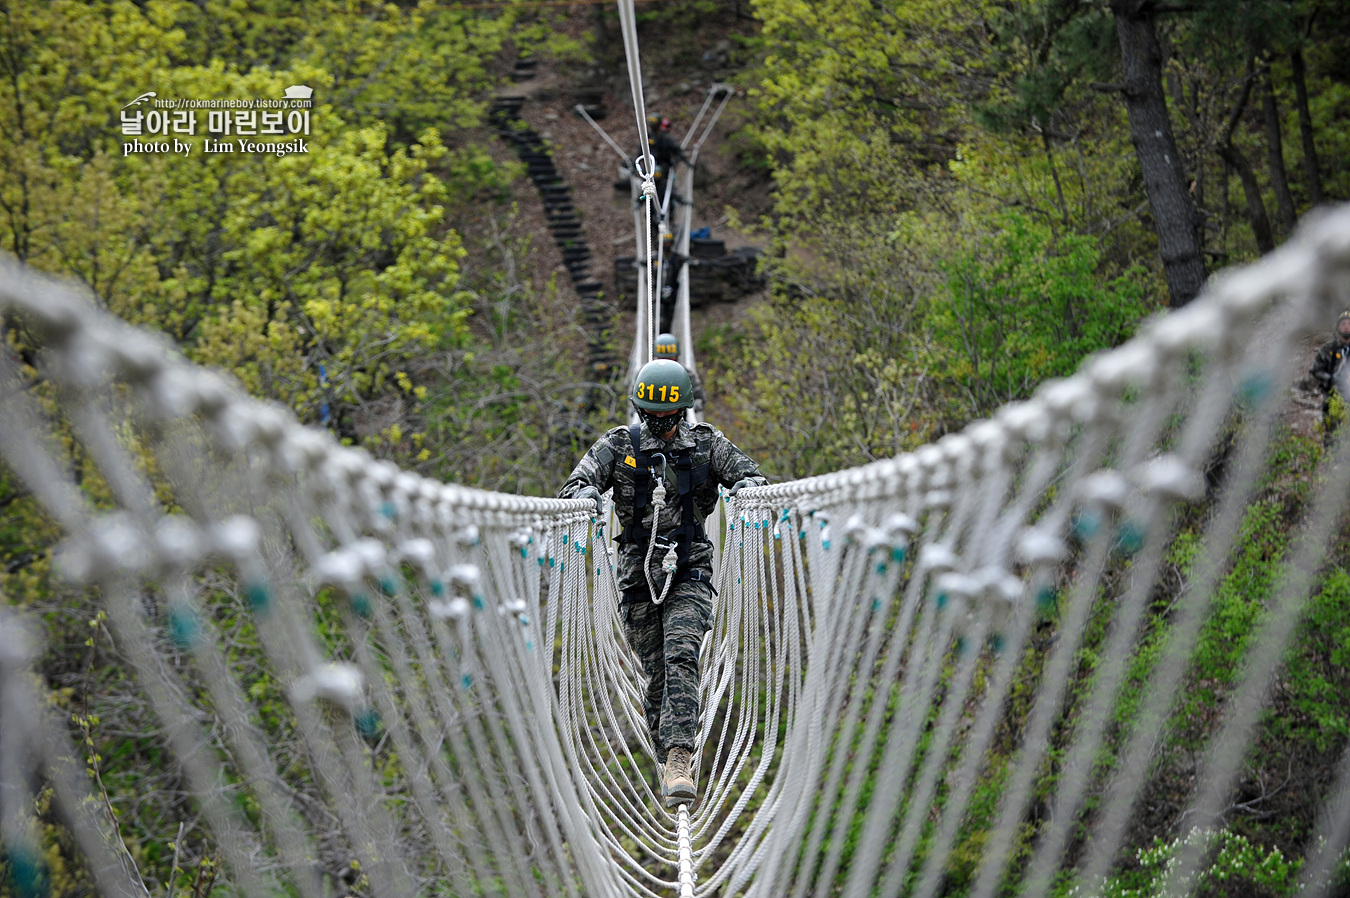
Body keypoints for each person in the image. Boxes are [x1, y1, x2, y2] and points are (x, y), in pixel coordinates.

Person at [558, 359, 766, 807]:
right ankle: (666, 755)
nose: (662, 426)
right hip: (637, 574)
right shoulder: (619, 446)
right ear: (640, 411)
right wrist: (586, 496)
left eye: (670, 418)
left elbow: (750, 476)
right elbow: (575, 485)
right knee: (656, 674)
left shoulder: (708, 446)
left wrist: (749, 491)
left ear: (683, 413)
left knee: (682, 654)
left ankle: (679, 756)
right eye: (653, 417)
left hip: (690, 566)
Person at [1310, 311, 1350, 440]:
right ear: (1338, 327)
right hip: (1332, 402)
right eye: (1343, 324)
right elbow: (1316, 371)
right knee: (1331, 439)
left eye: (1349, 324)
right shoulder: (1328, 349)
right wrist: (1331, 380)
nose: (1346, 327)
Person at [653, 333, 705, 415]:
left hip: (680, 419)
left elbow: (698, 395)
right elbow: (634, 393)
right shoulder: (646, 373)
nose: (667, 363)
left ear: (676, 356)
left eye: (670, 359)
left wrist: (697, 404)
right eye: (662, 359)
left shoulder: (686, 374)